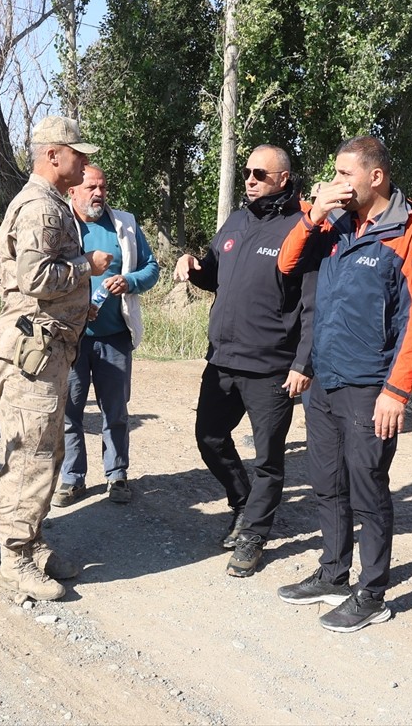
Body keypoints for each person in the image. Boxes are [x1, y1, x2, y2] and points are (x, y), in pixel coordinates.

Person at [275, 135, 412, 632]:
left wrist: (397, 391)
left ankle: (371, 593)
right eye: (335, 173)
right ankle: (332, 572)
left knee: (368, 486)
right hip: (325, 380)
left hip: (372, 388)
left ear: (376, 176)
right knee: (327, 483)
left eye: (346, 174)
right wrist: (312, 215)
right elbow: (286, 265)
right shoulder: (333, 225)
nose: (337, 182)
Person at [173, 144, 316, 577]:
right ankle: (242, 501)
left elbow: (312, 306)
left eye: (259, 173)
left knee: (269, 459)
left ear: (283, 180)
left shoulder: (301, 228)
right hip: (223, 358)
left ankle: (254, 532)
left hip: (272, 365)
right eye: (247, 172)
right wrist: (194, 267)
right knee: (210, 438)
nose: (250, 179)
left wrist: (302, 364)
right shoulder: (235, 221)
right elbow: (214, 273)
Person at [0, 116, 112, 601]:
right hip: (32, 350)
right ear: (53, 154)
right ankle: (14, 557)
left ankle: (32, 540)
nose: (83, 162)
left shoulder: (52, 203)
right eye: (77, 153)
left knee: (49, 449)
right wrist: (89, 267)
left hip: (50, 348)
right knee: (31, 454)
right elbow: (37, 280)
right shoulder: (40, 207)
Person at [54, 165, 159, 508]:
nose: (98, 193)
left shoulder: (124, 223)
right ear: (72, 190)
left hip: (114, 336)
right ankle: (72, 478)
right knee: (69, 411)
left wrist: (129, 281)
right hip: (71, 336)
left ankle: (117, 475)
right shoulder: (60, 223)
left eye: (103, 186)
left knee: (115, 410)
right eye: (90, 187)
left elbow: (151, 267)